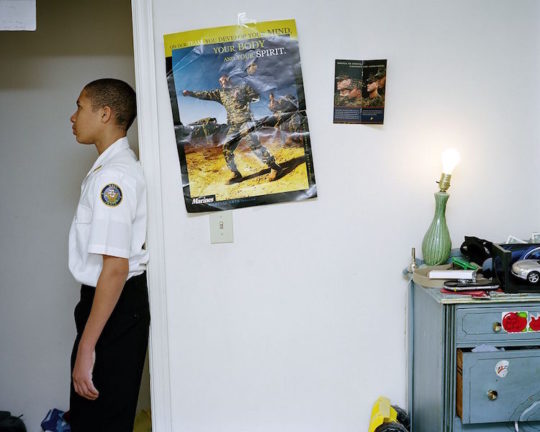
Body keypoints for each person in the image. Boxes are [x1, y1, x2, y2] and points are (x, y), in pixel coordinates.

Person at [68, 78, 149, 432]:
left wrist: (87, 347)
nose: (73, 117)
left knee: (99, 421)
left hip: (113, 308)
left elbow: (115, 268)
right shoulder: (110, 170)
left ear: (105, 113)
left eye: (80, 107)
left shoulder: (112, 178)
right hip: (113, 307)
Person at [183, 74, 284, 183]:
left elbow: (256, 97)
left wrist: (243, 96)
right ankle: (235, 174)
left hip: (246, 122)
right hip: (233, 125)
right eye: (220, 82)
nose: (223, 83)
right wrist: (190, 93)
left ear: (229, 79)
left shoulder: (242, 87)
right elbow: (204, 94)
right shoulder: (220, 93)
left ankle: (274, 167)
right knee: (227, 147)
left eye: (224, 80)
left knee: (253, 144)